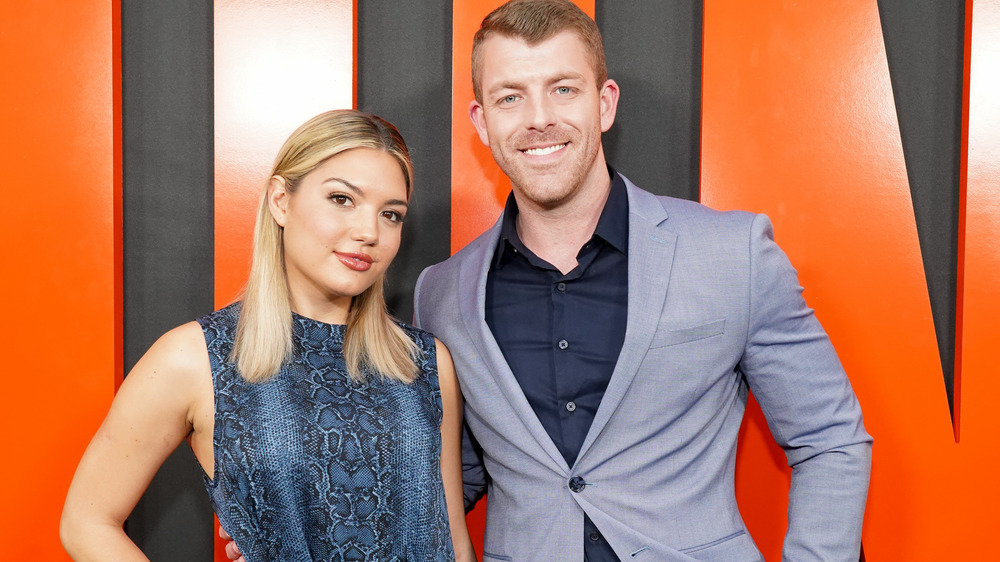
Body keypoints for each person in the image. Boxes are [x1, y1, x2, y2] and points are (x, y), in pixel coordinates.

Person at [412, 1, 872, 560]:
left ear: (604, 104)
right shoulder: (441, 294)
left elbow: (829, 439)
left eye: (563, 89)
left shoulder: (734, 254)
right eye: (510, 97)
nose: (538, 119)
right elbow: (448, 478)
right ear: (482, 121)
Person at [60, 110, 476, 561]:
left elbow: (450, 537)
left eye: (390, 214)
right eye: (341, 199)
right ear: (281, 200)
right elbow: (86, 520)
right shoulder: (196, 358)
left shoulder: (424, 363)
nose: (367, 232)